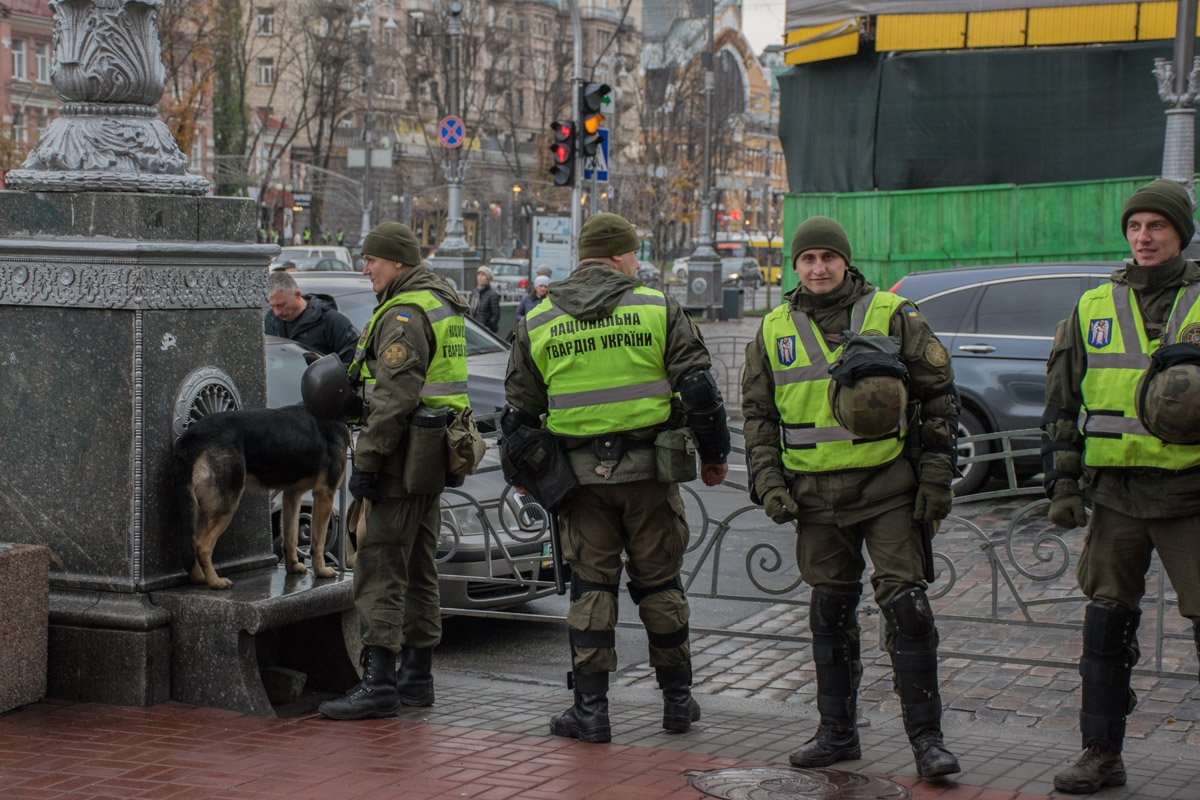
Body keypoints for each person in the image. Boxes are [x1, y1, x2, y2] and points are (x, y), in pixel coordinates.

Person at [740, 215, 961, 780]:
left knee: (907, 607)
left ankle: (927, 742)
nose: (818, 268)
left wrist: (936, 479)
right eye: (807, 259)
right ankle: (837, 733)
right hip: (813, 498)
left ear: (846, 261)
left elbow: (938, 398)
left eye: (827, 258)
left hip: (887, 488)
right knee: (829, 612)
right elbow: (759, 419)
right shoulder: (771, 329)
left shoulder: (890, 313)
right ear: (795, 266)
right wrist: (768, 483)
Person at [503, 212, 732, 744]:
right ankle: (677, 702)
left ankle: (591, 710)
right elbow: (698, 387)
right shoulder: (657, 307)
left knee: (590, 588)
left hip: (578, 484)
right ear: (623, 256)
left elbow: (518, 414)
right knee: (660, 584)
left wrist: (523, 473)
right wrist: (715, 455)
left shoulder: (538, 319)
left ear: (582, 257)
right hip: (651, 474)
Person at [1044, 178, 1200, 794]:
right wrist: (1063, 483)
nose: (1144, 237)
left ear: (1180, 234)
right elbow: (1063, 401)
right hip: (1117, 495)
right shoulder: (1092, 307)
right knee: (1107, 623)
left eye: (1157, 226)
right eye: (1135, 227)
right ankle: (1101, 755)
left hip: (1192, 492)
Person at [318, 221, 470, 720]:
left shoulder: (404, 312)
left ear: (399, 262)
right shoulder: (439, 301)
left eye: (372, 260)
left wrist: (367, 459)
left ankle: (379, 680)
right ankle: (416, 677)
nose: (366, 269)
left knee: (380, 563)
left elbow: (393, 398)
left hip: (402, 457)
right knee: (419, 565)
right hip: (431, 457)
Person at [264, 270, 359, 363]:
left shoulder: (331, 321)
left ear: (297, 295)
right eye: (272, 306)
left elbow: (352, 363)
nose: (277, 312)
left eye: (281, 305)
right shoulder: (271, 321)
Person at [468, 265, 501, 332]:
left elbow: (495, 314)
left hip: (484, 330)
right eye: (478, 275)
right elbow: (469, 309)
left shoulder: (492, 294)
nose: (479, 277)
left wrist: (487, 326)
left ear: (488, 279)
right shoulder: (474, 293)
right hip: (472, 328)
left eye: (483, 275)